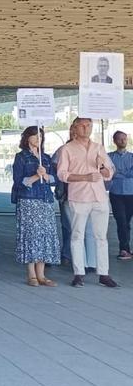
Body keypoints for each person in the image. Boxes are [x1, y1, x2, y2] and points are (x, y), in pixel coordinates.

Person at [57, 117, 118, 288]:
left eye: (89, 125)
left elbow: (109, 174)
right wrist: (85, 177)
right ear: (74, 128)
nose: (86, 128)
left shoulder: (99, 148)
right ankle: (79, 273)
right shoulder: (67, 149)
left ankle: (103, 273)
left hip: (99, 197)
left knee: (101, 236)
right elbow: (62, 174)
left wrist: (101, 167)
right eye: (82, 125)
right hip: (79, 197)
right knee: (77, 235)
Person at [12, 127, 60, 286]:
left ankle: (42, 274)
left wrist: (45, 175)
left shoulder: (45, 157)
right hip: (29, 200)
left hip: (45, 200)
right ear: (27, 138)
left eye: (41, 135)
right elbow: (19, 182)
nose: (38, 138)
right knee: (31, 235)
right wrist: (35, 176)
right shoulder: (21, 157)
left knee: (45, 235)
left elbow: (54, 180)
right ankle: (31, 274)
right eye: (35, 135)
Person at [108, 131, 133, 260]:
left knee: (127, 222)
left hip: (131, 193)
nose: (123, 141)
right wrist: (122, 173)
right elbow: (109, 172)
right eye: (120, 139)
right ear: (115, 141)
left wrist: (118, 173)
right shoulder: (109, 157)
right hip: (116, 193)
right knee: (121, 221)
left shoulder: (132, 156)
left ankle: (127, 247)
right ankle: (124, 249)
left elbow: (130, 174)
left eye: (124, 138)